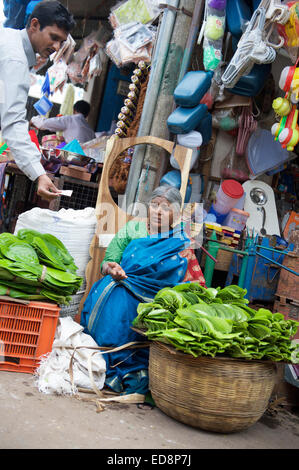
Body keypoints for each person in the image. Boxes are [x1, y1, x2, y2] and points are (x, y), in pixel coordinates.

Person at [80, 185, 191, 395]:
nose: (158, 211)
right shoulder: (132, 230)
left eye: (165, 207)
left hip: (152, 301)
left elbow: (176, 282)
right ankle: (102, 355)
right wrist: (111, 269)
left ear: (176, 214)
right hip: (118, 286)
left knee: (128, 309)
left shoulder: (179, 244)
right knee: (113, 299)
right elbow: (108, 262)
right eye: (154, 205)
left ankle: (119, 363)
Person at [0, 0, 75, 201]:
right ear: (34, 25)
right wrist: (39, 174)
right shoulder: (15, 59)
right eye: (53, 37)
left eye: (61, 42)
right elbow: (13, 123)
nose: (56, 46)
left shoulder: (7, 38)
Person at [31, 100, 96, 144]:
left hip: (71, 157)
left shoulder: (70, 119)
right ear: (87, 115)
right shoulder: (91, 131)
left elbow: (44, 124)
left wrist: (33, 120)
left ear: (73, 110)